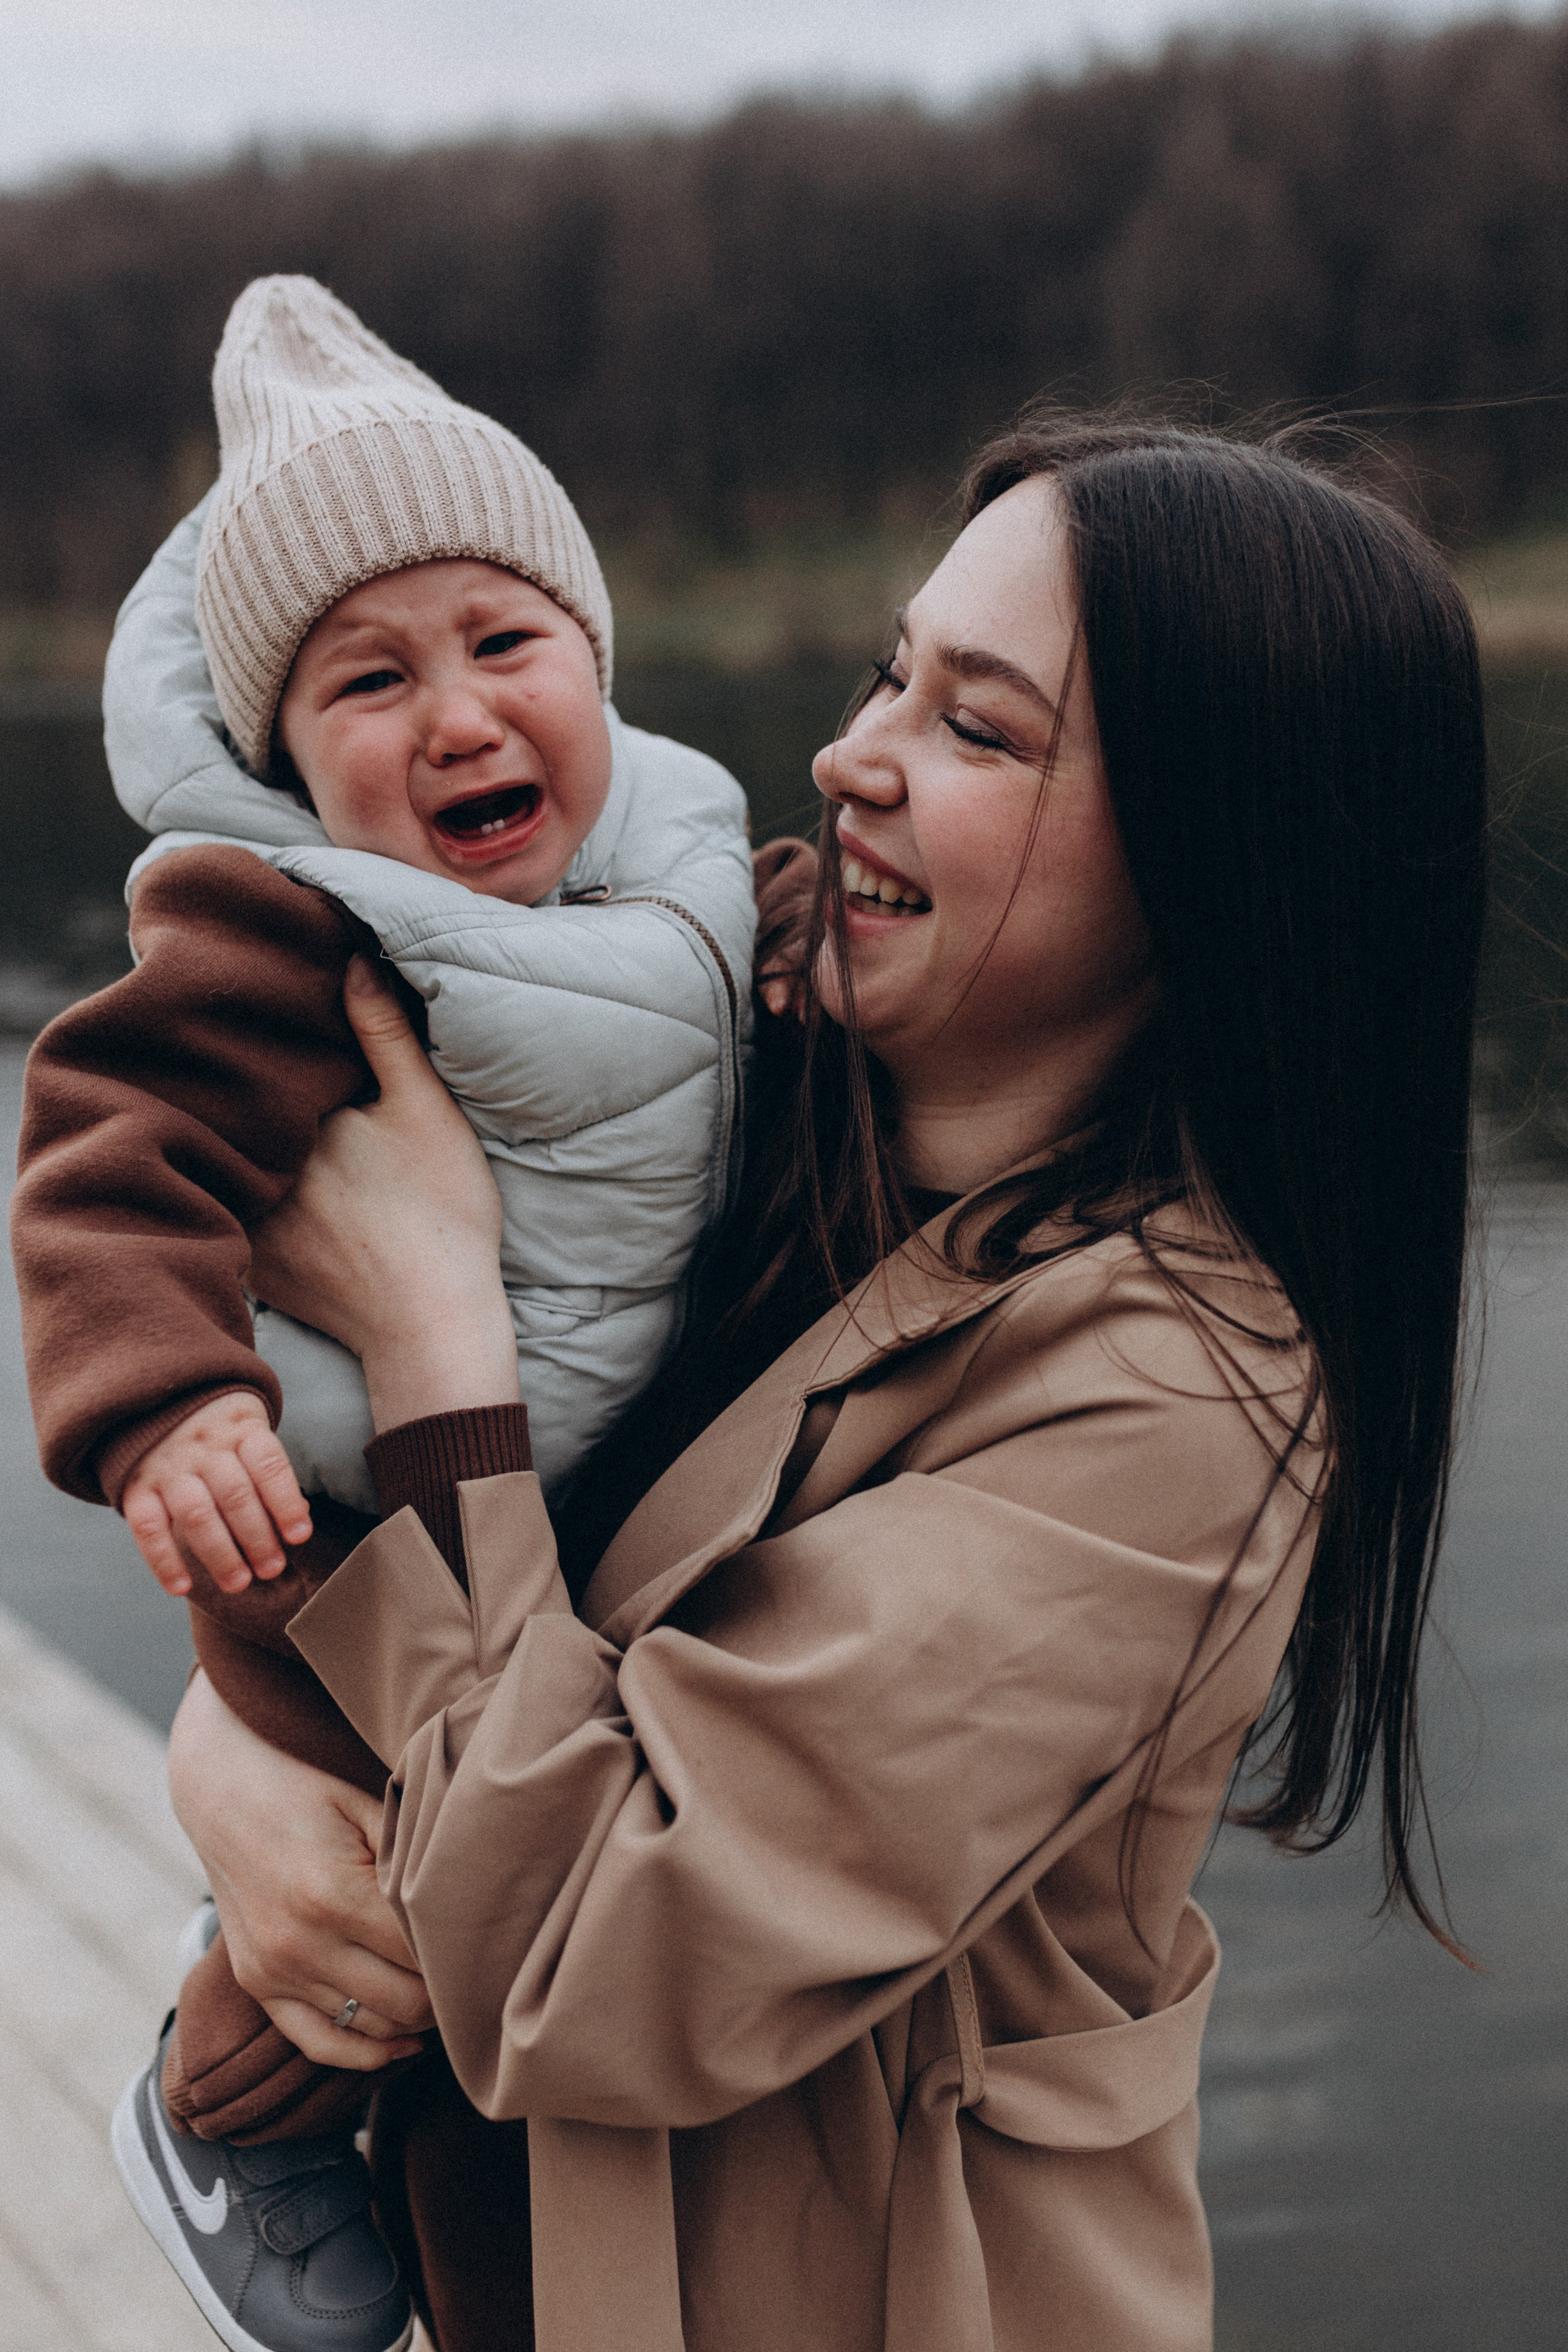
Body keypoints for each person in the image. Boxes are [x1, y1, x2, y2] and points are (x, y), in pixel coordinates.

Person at [164, 414, 1485, 2352]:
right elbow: (321, 1498)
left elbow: (591, 1947)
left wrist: (434, 1333)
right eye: (891, 672)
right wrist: (233, 1767)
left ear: (1219, 852)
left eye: (979, 728)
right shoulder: (731, 1074)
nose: (852, 754)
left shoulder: (1180, 1392)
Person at [9, 276, 755, 2352]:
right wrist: (170, 1406)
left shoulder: (691, 869)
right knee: (394, 1909)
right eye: (368, 680)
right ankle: (221, 2120)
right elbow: (105, 1151)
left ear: (596, 658)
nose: (457, 717)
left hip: (561, 1512)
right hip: (332, 1547)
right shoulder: (283, 927)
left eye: (507, 643)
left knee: (494, 1897)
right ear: (282, 753)